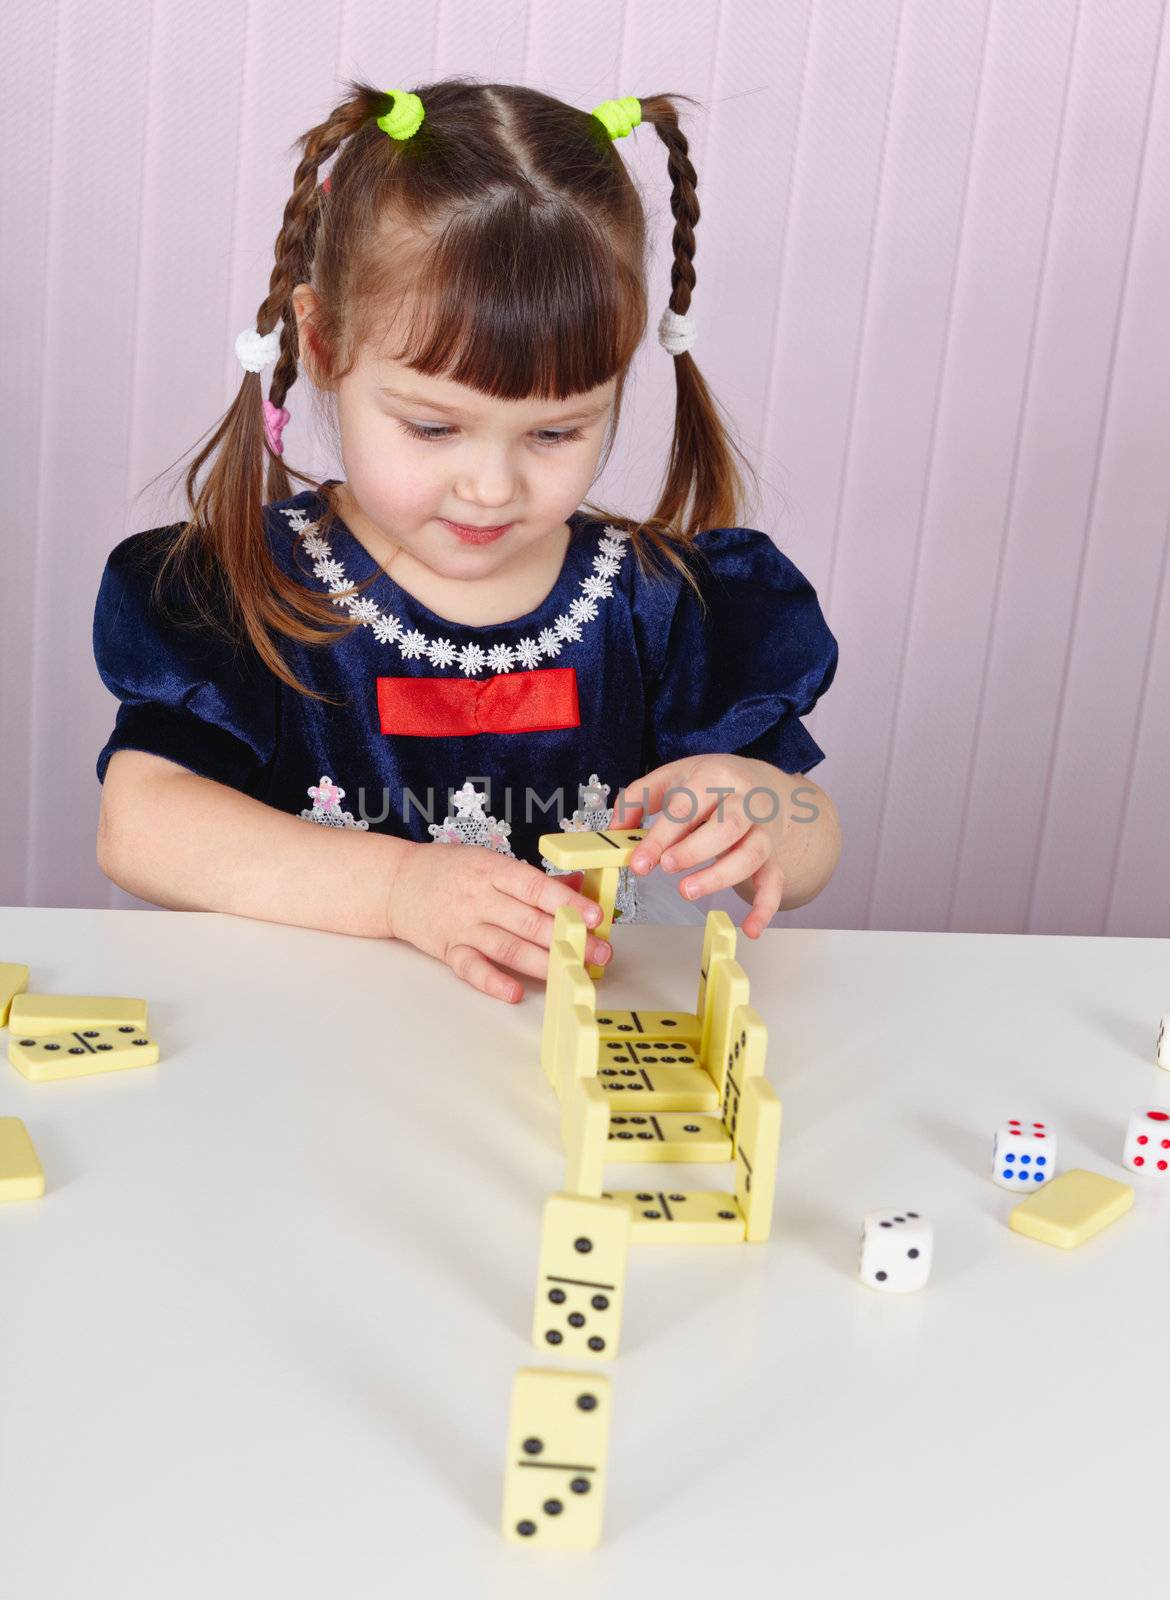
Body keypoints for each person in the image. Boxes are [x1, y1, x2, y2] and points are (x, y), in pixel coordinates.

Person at [93, 80, 842, 1007]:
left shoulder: (659, 605)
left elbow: (808, 836)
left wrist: (761, 812)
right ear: (322, 343)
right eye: (435, 429)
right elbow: (140, 824)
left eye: (556, 434)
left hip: (570, 1079)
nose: (492, 488)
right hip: (307, 1065)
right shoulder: (241, 588)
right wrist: (402, 889)